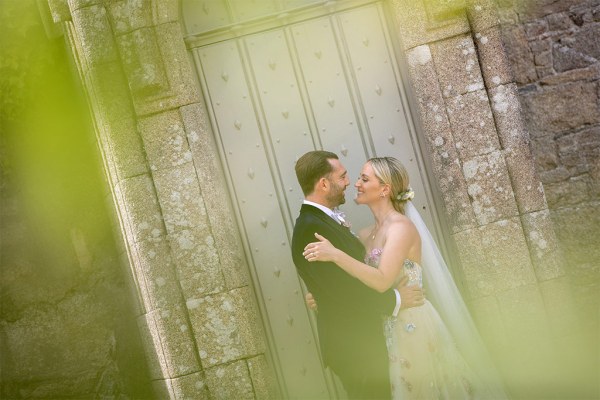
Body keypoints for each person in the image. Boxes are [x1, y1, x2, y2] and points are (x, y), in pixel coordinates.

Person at [303, 157, 509, 399]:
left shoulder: (401, 228)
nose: (355, 184)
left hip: (412, 326)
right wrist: (323, 297)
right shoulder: (364, 234)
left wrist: (336, 255)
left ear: (385, 189)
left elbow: (380, 280)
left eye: (364, 179)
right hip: (382, 327)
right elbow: (358, 282)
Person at [291, 151, 425, 400]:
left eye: (363, 179)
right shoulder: (312, 227)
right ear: (323, 184)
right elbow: (343, 291)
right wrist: (395, 300)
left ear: (385, 189)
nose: (349, 182)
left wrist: (322, 294)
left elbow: (339, 282)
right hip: (355, 348)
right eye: (342, 176)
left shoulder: (326, 222)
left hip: (379, 337)